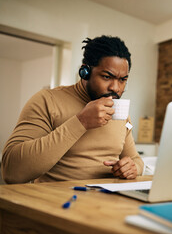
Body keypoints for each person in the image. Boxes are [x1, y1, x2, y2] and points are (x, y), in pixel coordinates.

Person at [2, 35, 144, 184]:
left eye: (122, 80)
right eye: (107, 77)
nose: (115, 88)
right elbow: (11, 172)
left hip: (108, 202)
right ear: (85, 72)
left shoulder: (121, 114)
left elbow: (136, 160)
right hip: (57, 202)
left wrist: (134, 168)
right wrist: (81, 122)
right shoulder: (47, 100)